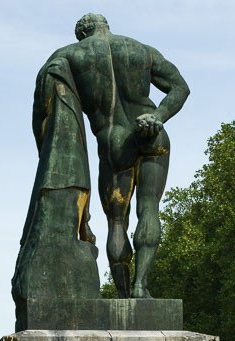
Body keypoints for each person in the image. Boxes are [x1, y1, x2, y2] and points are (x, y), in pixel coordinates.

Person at [32, 13, 189, 298]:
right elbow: (181, 87)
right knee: (150, 209)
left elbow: (43, 112)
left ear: (82, 33)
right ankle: (142, 286)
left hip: (114, 144)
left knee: (117, 221)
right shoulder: (141, 50)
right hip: (151, 133)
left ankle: (125, 295)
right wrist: (158, 115)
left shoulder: (68, 56)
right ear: (106, 27)